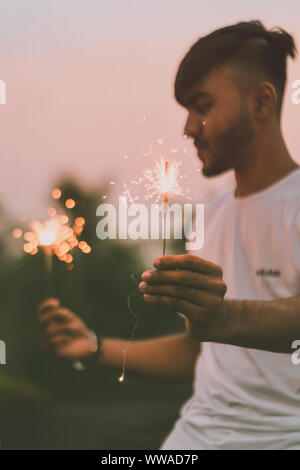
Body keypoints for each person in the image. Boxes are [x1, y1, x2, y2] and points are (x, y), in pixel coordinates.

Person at [38, 20, 300, 450]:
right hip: (193, 437)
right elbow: (200, 349)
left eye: (202, 105)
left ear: (262, 102)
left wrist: (227, 318)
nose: (189, 128)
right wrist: (94, 346)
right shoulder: (210, 218)